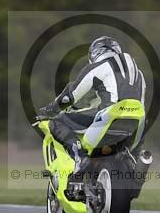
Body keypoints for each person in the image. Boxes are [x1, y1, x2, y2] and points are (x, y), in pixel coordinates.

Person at [37, 36, 146, 177]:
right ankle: (135, 163)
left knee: (57, 122)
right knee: (137, 142)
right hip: (137, 120)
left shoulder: (100, 66)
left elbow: (70, 95)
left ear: (95, 53)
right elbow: (141, 103)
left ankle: (80, 158)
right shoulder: (139, 74)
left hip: (111, 113)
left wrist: (50, 110)